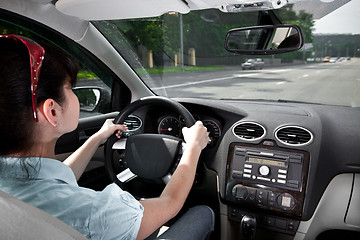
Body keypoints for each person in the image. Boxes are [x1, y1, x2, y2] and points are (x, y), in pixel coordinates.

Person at [0, 35, 214, 239]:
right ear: (52, 111)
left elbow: (58, 179)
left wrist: (98, 138)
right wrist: (193, 147)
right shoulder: (91, 214)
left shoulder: (12, 184)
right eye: (71, 88)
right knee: (203, 213)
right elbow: (171, 202)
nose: (75, 96)